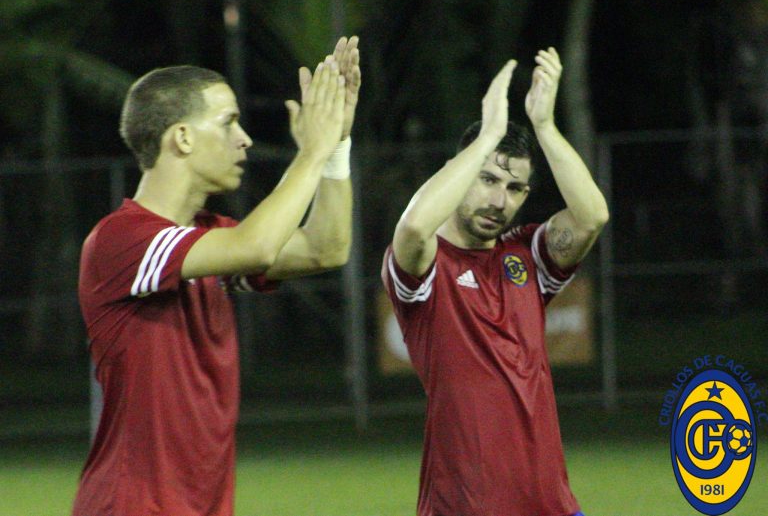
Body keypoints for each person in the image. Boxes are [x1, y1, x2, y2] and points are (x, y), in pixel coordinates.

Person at [72, 36, 361, 516]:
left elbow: (324, 249)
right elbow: (258, 245)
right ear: (182, 137)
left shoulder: (206, 240)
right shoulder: (122, 240)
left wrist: (337, 147)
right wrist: (311, 151)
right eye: (228, 122)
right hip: (133, 505)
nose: (244, 138)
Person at [381, 48, 608, 516]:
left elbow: (592, 217)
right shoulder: (426, 268)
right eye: (486, 179)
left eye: (514, 188)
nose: (499, 199)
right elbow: (414, 228)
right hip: (466, 505)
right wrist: (485, 138)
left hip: (552, 504)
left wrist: (545, 127)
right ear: (462, 171)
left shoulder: (525, 256)